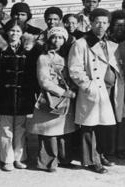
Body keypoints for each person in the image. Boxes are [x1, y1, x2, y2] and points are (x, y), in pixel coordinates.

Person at [68, 8, 125, 174]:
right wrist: (89, 86)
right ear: (91, 23)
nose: (100, 25)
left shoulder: (112, 44)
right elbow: (74, 69)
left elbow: (118, 66)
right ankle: (92, 160)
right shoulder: (81, 43)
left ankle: (100, 155)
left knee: (104, 126)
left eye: (104, 22)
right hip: (93, 91)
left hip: (110, 91)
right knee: (90, 126)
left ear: (108, 24)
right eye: (97, 22)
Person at [29, 26, 77, 172]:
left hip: (66, 99)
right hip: (50, 98)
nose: (57, 40)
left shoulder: (67, 56)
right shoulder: (43, 57)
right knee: (48, 132)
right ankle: (47, 162)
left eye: (61, 37)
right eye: (54, 37)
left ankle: (65, 159)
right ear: (49, 39)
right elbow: (44, 81)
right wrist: (64, 92)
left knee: (65, 130)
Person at [0, 21, 37, 171]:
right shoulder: (0, 48)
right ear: (7, 33)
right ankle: (7, 159)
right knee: (6, 128)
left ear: (22, 33)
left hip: (23, 94)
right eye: (12, 31)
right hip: (3, 94)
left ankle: (19, 158)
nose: (14, 34)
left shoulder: (29, 49)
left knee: (20, 128)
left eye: (18, 31)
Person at [108, 9, 125, 159]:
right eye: (117, 25)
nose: (120, 28)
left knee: (123, 116)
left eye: (124, 26)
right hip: (110, 85)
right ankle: (109, 147)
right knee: (109, 116)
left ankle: (121, 147)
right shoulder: (106, 41)